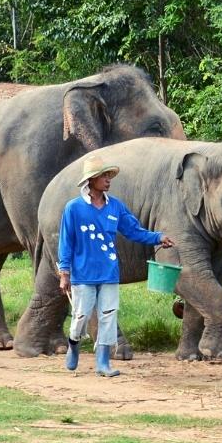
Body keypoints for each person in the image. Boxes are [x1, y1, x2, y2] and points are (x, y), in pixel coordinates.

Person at [58, 154, 174, 377]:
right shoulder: (73, 208)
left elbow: (133, 231)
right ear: (91, 180)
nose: (108, 179)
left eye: (109, 175)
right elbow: (66, 242)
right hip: (83, 274)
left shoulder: (116, 207)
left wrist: (158, 237)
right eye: (104, 176)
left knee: (108, 316)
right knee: (80, 316)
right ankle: (74, 345)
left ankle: (103, 363)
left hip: (109, 272)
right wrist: (64, 273)